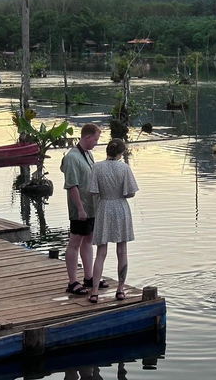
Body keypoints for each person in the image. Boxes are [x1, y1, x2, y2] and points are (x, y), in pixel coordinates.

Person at [86, 138, 139, 303]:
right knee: (122, 251)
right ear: (121, 153)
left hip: (103, 208)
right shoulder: (124, 168)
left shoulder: (97, 167)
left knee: (101, 253)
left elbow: (92, 191)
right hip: (120, 208)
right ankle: (120, 290)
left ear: (107, 151)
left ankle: (94, 292)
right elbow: (131, 193)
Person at [61, 123, 103, 296]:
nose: (96, 143)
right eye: (96, 139)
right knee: (75, 242)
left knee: (89, 240)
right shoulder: (72, 157)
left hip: (92, 206)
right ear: (87, 137)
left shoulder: (88, 154)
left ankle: (89, 277)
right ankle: (72, 282)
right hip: (81, 207)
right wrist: (80, 208)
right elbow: (72, 185)